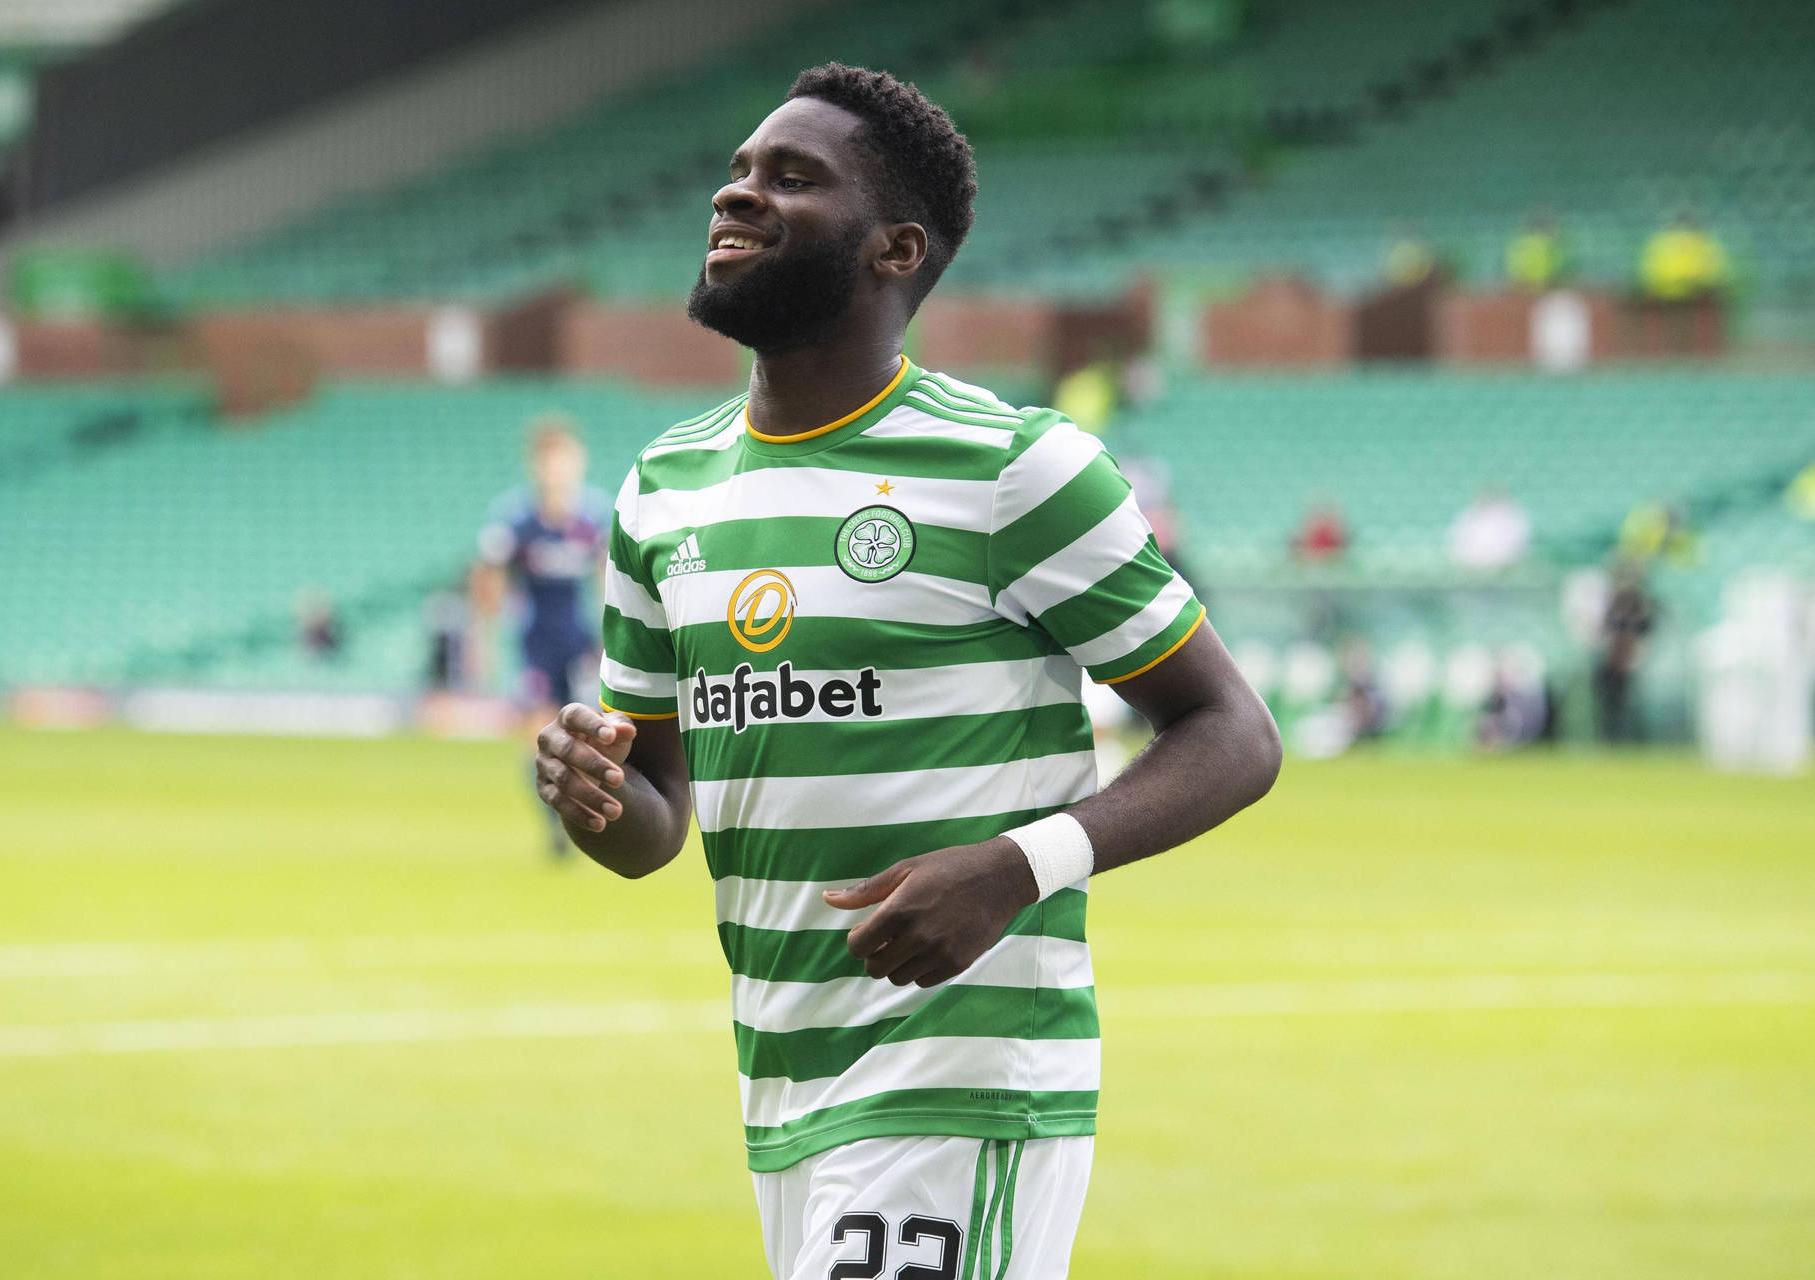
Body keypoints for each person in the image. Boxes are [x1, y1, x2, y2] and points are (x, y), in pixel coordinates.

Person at [533, 65, 1281, 1279]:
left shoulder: (1017, 468)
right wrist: (593, 792)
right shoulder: (661, 491)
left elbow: (1233, 733)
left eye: (792, 177)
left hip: (963, 1069)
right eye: (738, 169)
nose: (739, 192)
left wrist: (1013, 867)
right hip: (783, 1070)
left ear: (897, 249)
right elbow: (652, 817)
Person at [473, 418, 608, 844]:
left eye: (564, 459)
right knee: (536, 736)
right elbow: (489, 578)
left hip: (578, 641)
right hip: (533, 642)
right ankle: (553, 824)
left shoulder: (595, 517)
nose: (557, 469)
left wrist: (611, 640)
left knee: (584, 739)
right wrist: (486, 639)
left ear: (578, 462)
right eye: (548, 460)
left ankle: (575, 817)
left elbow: (608, 581)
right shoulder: (515, 519)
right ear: (535, 465)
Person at [1595, 560, 1655, 743]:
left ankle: (1632, 738)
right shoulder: (1615, 599)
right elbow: (1606, 627)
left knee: (1630, 701)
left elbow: (1645, 626)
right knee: (1609, 700)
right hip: (1614, 655)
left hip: (1628, 656)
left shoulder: (1638, 601)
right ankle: (1611, 738)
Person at [1638, 209, 1729, 302]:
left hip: (1692, 296)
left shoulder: (1658, 242)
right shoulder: (1706, 242)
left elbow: (1715, 274)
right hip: (1667, 295)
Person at [1448, 487, 1531, 572]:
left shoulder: (1512, 517)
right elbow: (1459, 540)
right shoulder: (1469, 515)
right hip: (1474, 563)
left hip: (1503, 563)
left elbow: (1516, 544)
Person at [1504, 208, 1570, 291]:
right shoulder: (1551, 246)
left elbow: (1514, 275)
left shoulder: (1519, 244)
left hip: (1528, 291)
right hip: (1543, 290)